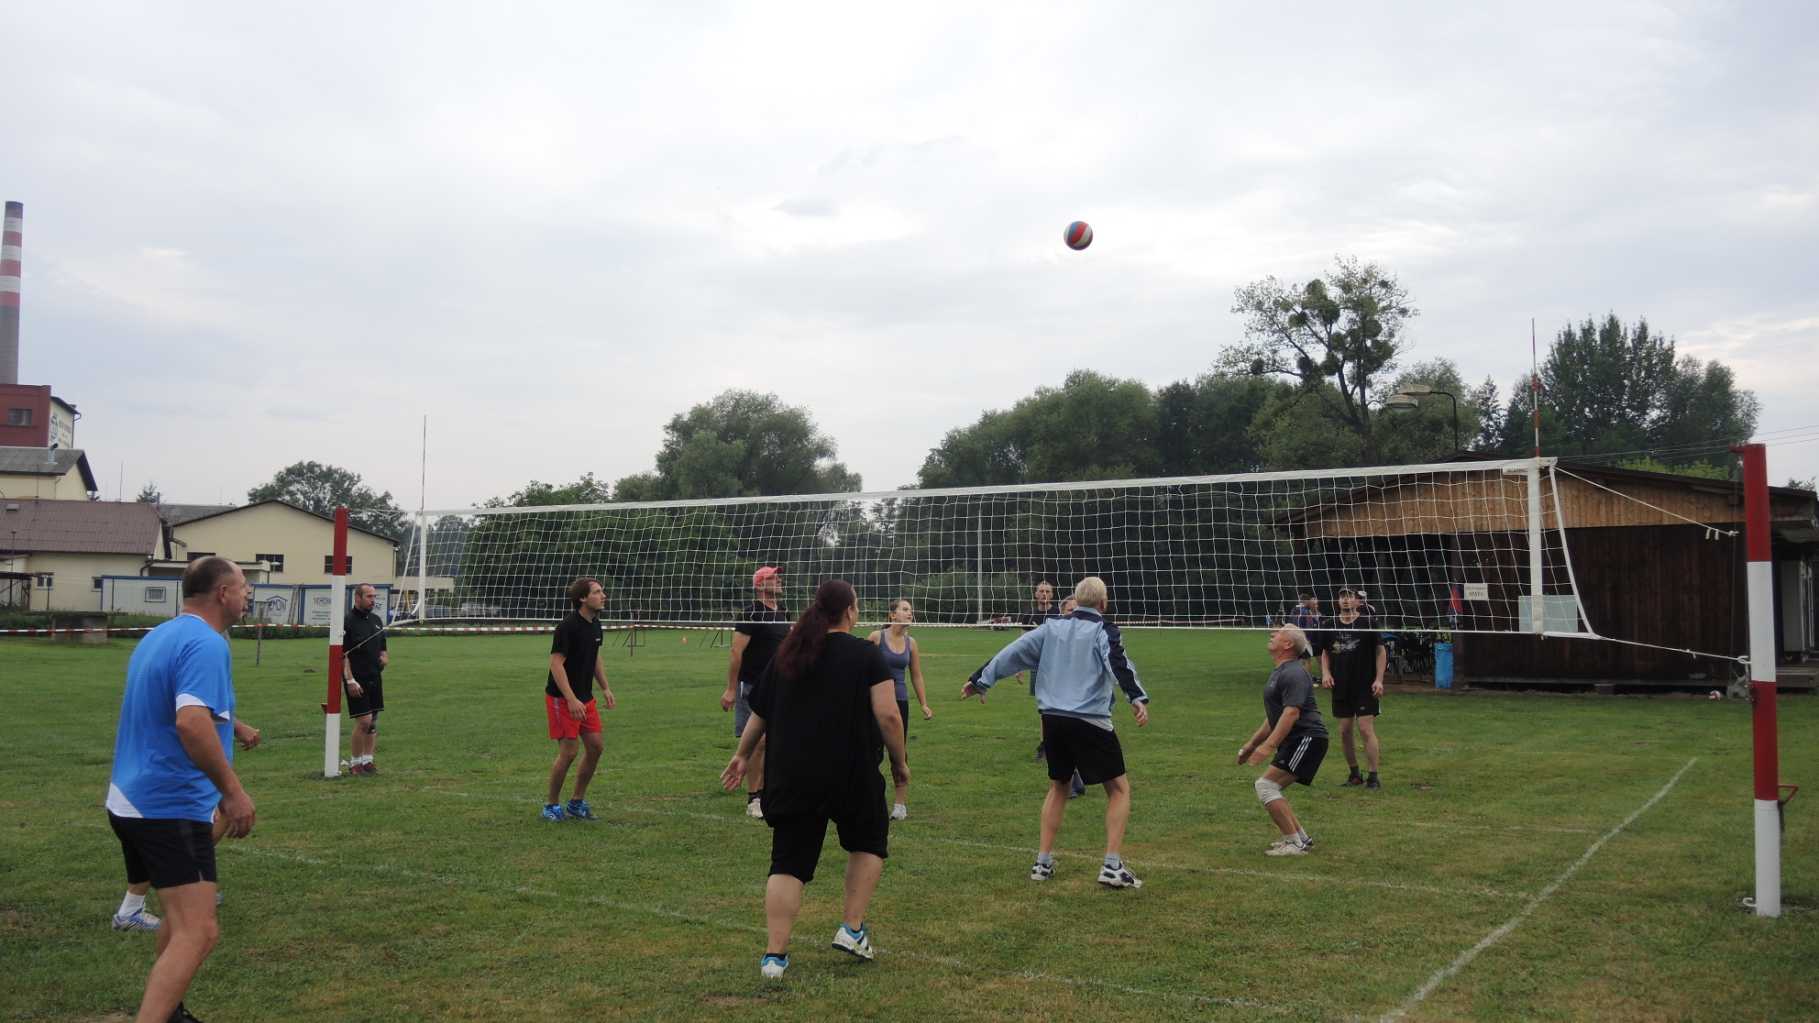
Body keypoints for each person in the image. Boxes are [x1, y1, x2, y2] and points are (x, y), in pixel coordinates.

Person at [720, 579, 909, 980]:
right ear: (851, 612)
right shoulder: (864, 654)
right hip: (851, 771)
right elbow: (889, 716)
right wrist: (900, 763)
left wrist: (741, 755)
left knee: (787, 862)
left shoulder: (790, 652)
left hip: (792, 773)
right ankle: (852, 927)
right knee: (869, 841)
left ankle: (774, 957)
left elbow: (761, 713)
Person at [104, 556, 259, 1023]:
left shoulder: (162, 635)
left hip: (131, 798)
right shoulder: (207, 644)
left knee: (179, 915)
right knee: (200, 930)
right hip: (167, 805)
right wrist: (231, 792)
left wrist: (236, 726)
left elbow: (186, 711)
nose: (249, 593)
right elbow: (190, 724)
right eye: (244, 585)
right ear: (222, 593)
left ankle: (168, 1010)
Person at [962, 576, 1150, 888]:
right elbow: (1118, 663)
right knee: (1118, 789)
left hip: (1052, 719)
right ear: (1103, 604)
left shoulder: (1051, 626)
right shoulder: (1104, 629)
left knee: (1058, 786)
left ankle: (1042, 863)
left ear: (1075, 600)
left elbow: (1012, 651)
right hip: (1089, 719)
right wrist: (1136, 697)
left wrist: (981, 679)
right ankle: (1112, 866)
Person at [1239, 625, 1329, 856]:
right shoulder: (1281, 671)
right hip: (1297, 739)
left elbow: (1291, 713)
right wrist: (1251, 746)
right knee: (1270, 787)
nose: (1271, 635)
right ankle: (1301, 839)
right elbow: (1273, 719)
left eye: (1277, 634)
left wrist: (1267, 747)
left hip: (1307, 738)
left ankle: (1294, 844)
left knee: (1266, 786)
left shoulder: (1294, 673)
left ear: (1288, 645)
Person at [542, 578, 616, 822]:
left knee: (595, 747)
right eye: (597, 592)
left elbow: (595, 658)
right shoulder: (568, 627)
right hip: (562, 699)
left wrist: (605, 687)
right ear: (583, 598)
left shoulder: (595, 624)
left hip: (585, 698)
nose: (603, 595)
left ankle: (576, 802)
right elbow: (556, 664)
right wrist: (571, 699)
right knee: (569, 752)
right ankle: (551, 805)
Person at [721, 565, 791, 819]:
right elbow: (736, 652)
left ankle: (767, 791)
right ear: (760, 585)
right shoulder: (751, 613)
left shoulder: (783, 611)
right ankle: (754, 798)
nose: (779, 580)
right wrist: (730, 689)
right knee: (757, 742)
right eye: (773, 577)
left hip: (779, 685)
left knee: (774, 741)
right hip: (751, 685)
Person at [867, 598, 932, 820]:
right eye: (904, 610)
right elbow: (862, 667)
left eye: (910, 611)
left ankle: (899, 804)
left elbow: (916, 674)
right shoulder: (876, 637)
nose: (909, 613)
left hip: (900, 702)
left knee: (899, 753)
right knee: (871, 752)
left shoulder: (911, 643)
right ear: (892, 615)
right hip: (875, 702)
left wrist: (923, 703)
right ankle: (870, 800)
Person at [1320, 587, 1385, 789]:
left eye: (1350, 597)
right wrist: (1326, 673)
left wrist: (1379, 679)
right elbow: (1325, 653)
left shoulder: (1368, 623)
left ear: (1357, 602)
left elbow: (1380, 652)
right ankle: (1355, 774)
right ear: (1338, 601)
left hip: (1365, 685)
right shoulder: (1329, 625)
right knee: (1344, 731)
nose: (1346, 600)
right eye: (1342, 597)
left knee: (1365, 729)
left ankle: (1373, 776)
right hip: (1341, 685)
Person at [341, 583, 389, 775]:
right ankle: (355, 763)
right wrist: (350, 680)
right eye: (369, 596)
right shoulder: (347, 622)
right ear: (358, 598)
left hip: (374, 677)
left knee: (373, 721)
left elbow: (383, 648)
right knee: (364, 721)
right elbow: (342, 655)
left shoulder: (377, 620)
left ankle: (368, 761)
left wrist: (385, 657)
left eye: (374, 597)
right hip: (356, 679)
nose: (373, 600)